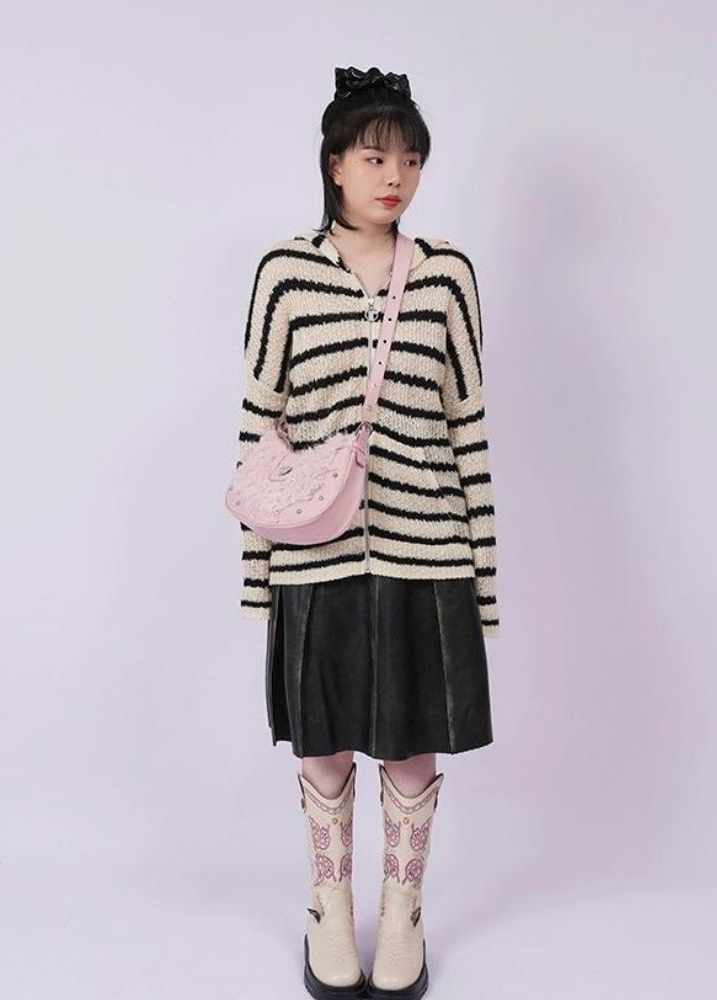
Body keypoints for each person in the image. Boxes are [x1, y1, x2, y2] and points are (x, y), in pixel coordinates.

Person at [232, 65, 500, 1000]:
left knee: (412, 742)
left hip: (429, 548)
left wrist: (484, 579)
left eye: (412, 159)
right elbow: (259, 430)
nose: (396, 176)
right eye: (377, 156)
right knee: (324, 741)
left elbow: (468, 427)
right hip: (315, 554)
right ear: (335, 163)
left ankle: (405, 912)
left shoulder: (448, 275)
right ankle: (329, 906)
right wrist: (259, 578)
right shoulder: (284, 273)